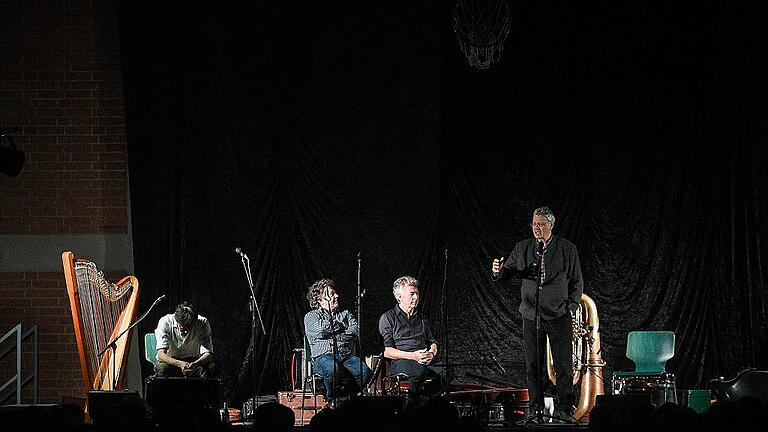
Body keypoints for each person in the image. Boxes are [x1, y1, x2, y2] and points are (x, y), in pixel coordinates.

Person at [491, 206, 583, 421]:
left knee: (563, 364)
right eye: (534, 224)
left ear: (551, 225)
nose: (536, 228)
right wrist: (497, 271)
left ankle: (564, 409)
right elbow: (507, 273)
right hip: (531, 313)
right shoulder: (523, 247)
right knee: (533, 363)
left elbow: (577, 282)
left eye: (541, 224)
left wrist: (569, 306)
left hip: (558, 313)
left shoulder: (567, 249)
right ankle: (535, 409)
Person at [304, 278, 371, 398]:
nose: (337, 296)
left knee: (365, 372)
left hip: (346, 356)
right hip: (323, 357)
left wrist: (332, 332)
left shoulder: (346, 314)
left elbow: (355, 331)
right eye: (331, 294)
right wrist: (341, 326)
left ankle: (343, 398)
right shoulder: (311, 316)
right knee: (332, 369)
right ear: (320, 300)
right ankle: (332, 397)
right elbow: (320, 330)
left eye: (335, 293)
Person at [378, 276, 440, 393]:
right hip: (403, 359)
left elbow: (433, 342)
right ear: (399, 297)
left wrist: (431, 353)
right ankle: (412, 404)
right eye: (412, 294)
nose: (416, 297)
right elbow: (387, 351)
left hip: (424, 358)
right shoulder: (388, 318)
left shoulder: (422, 318)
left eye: (417, 294)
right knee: (419, 372)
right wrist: (413, 356)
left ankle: (424, 398)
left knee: (447, 372)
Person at [154, 301, 215, 378]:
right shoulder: (165, 322)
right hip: (172, 361)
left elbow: (208, 354)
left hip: (194, 361)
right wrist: (180, 364)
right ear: (177, 321)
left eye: (189, 328)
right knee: (162, 369)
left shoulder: (202, 323)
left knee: (212, 368)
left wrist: (195, 364)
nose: (186, 332)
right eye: (183, 329)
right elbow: (161, 355)